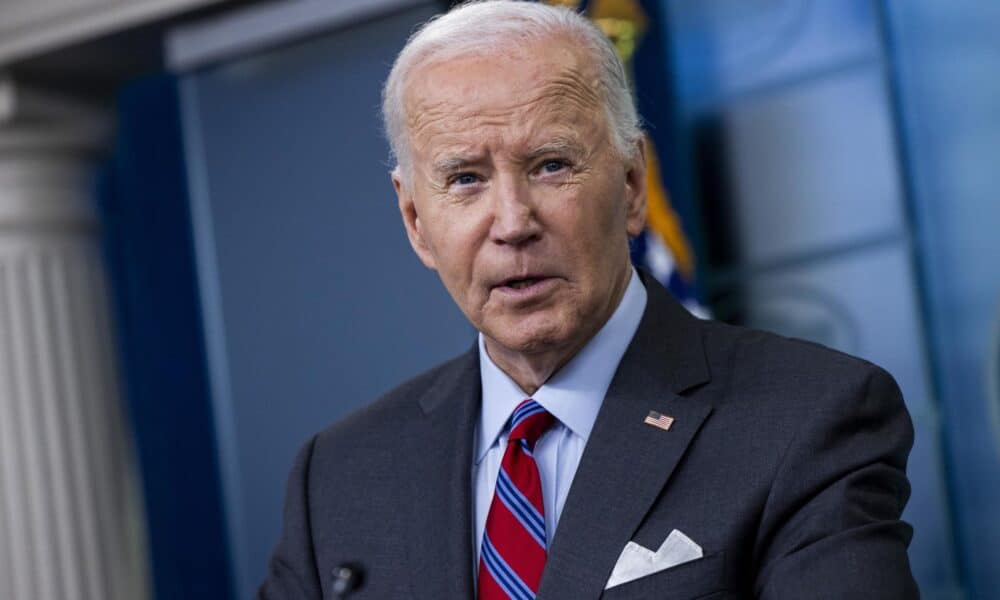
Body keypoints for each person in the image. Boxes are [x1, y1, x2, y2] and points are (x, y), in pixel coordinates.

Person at [258, 1, 918, 598]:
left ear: (632, 184)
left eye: (551, 164)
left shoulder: (807, 418)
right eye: (465, 178)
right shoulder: (339, 478)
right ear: (413, 220)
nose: (512, 222)